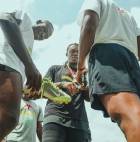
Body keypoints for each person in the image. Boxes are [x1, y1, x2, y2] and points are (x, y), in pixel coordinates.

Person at [76, 0, 140, 142]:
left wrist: (80, 66)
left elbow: (89, 26)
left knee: (128, 114)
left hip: (106, 55)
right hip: (132, 59)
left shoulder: (96, 1)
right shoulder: (128, 15)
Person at [0, 10, 53, 141]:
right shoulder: (26, 19)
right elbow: (6, 19)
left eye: (46, 36)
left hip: (11, 72)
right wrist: (29, 65)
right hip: (5, 66)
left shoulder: (29, 45)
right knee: (10, 118)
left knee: (8, 119)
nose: (43, 35)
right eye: (45, 29)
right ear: (39, 21)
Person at [42, 43, 91, 142]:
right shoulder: (55, 69)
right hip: (55, 118)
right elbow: (42, 89)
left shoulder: (84, 73)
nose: (76, 54)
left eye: (79, 52)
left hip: (79, 124)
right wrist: (63, 84)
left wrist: (85, 86)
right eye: (72, 51)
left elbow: (89, 98)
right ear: (66, 54)